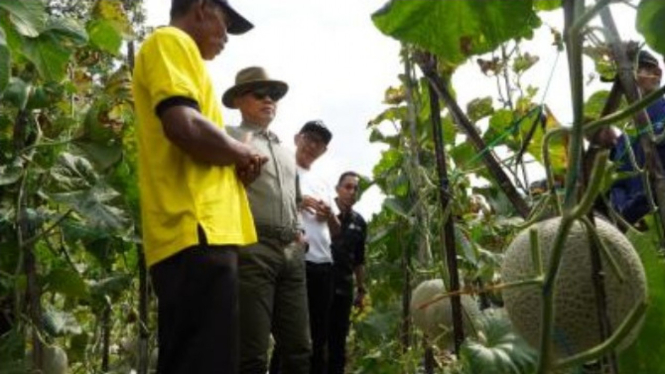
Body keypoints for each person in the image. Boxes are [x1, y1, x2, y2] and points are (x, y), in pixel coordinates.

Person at [132, 1, 267, 373]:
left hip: (203, 233)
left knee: (197, 358)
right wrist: (240, 150)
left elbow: (195, 139)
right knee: (205, 362)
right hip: (196, 229)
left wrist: (233, 163)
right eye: (226, 24)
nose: (226, 37)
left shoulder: (183, 57)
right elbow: (183, 126)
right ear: (204, 8)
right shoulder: (171, 41)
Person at [223, 67, 311, 374]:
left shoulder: (286, 152)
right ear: (237, 100)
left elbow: (296, 200)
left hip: (291, 252)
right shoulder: (228, 136)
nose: (268, 100)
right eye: (259, 94)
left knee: (299, 351)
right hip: (252, 247)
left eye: (273, 95)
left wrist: (299, 235)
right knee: (252, 352)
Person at [610, 48, 665, 226]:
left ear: (656, 74)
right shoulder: (623, 138)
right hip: (637, 228)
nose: (631, 81)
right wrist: (624, 210)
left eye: (636, 71)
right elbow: (617, 183)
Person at [328, 172, 367, 374]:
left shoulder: (360, 222)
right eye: (348, 187)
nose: (352, 192)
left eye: (356, 188)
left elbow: (359, 260)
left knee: (338, 341)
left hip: (344, 288)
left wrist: (361, 290)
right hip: (319, 283)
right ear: (337, 189)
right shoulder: (324, 211)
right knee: (312, 338)